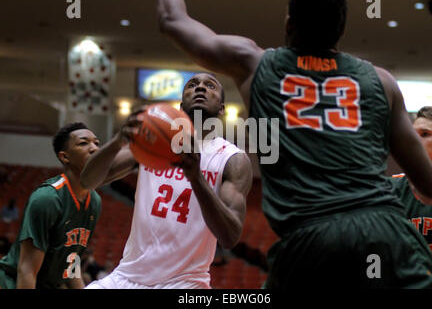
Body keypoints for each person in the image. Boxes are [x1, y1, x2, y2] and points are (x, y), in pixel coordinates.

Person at [154, 0, 432, 288]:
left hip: (311, 241)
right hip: (388, 235)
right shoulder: (381, 82)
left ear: (289, 24)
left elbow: (172, 20)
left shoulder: (254, 63)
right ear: (341, 28)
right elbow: (431, 188)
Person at [81, 73, 252, 289]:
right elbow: (87, 181)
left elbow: (230, 236)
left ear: (221, 108)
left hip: (185, 284)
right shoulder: (152, 143)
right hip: (127, 277)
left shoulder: (232, 159)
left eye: (210, 86)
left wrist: (197, 179)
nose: (200, 88)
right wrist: (117, 141)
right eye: (192, 85)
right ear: (180, 107)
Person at [0, 122, 102, 289]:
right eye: (84, 143)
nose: (94, 149)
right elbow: (26, 270)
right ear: (64, 157)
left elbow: (72, 263)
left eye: (97, 143)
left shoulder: (95, 202)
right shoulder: (47, 198)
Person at [392, 106, 432, 288]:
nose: (415, 141)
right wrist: (374, 277)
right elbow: (373, 252)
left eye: (425, 134)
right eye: (413, 134)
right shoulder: (390, 189)